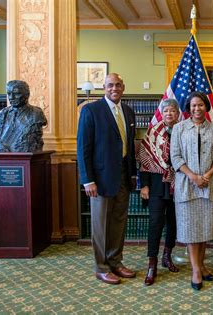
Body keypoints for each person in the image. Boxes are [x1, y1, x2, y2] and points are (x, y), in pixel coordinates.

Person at [77, 73, 137, 285]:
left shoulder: (129, 112)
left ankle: (115, 262)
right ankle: (101, 267)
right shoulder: (91, 110)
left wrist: (132, 174)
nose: (115, 88)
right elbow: (83, 148)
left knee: (118, 222)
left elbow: (129, 148)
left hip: (122, 177)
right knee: (100, 225)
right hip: (100, 179)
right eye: (110, 85)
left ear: (123, 87)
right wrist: (87, 180)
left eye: (118, 85)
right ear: (103, 87)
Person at [170, 91, 213, 291]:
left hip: (209, 186)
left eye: (200, 105)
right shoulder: (179, 128)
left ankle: (201, 264)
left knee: (204, 229)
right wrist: (193, 176)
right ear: (188, 108)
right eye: (193, 105)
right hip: (187, 187)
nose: (197, 109)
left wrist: (207, 175)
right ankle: (196, 270)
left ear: (206, 106)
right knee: (191, 231)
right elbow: (175, 157)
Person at [138, 99, 181, 286]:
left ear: (178, 114)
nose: (169, 114)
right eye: (166, 111)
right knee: (155, 223)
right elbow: (144, 160)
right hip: (156, 185)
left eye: (172, 111)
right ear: (161, 114)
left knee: (173, 223)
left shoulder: (182, 131)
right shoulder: (152, 132)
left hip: (178, 184)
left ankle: (167, 256)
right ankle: (152, 264)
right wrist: (144, 185)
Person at [0, 80, 47, 152]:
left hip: (26, 154)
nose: (11, 97)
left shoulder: (36, 113)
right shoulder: (2, 114)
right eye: (9, 94)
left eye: (16, 94)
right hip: (3, 157)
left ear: (26, 94)